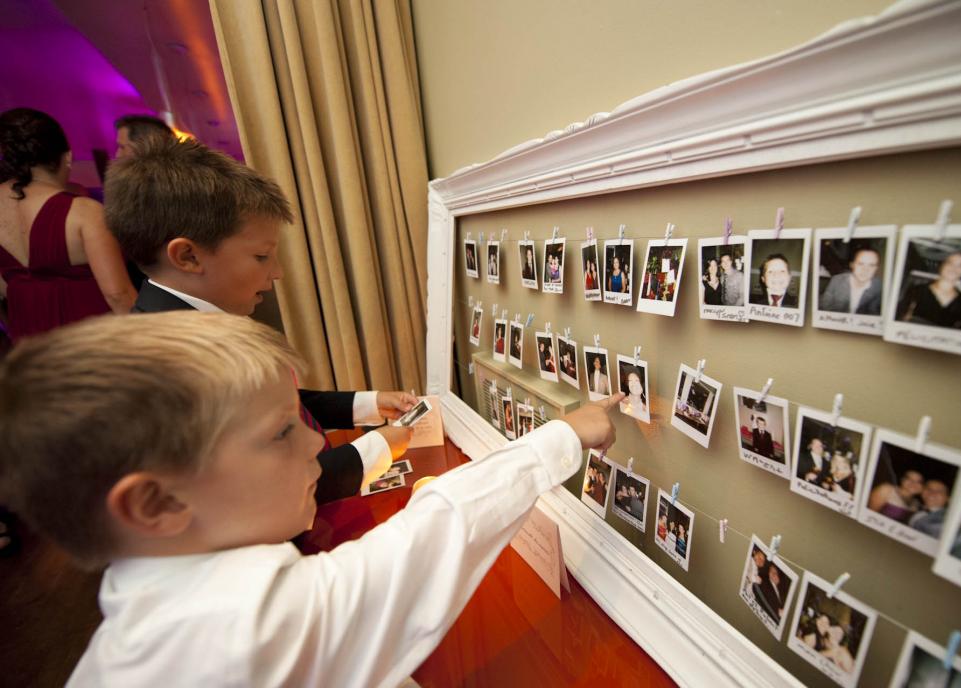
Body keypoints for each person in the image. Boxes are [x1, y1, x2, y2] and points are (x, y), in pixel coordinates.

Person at [0, 311, 623, 687]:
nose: (313, 442)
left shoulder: (150, 603)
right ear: (156, 505)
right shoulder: (241, 626)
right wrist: (565, 435)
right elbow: (435, 534)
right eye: (279, 432)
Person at [103, 137, 414, 502]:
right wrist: (375, 449)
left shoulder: (193, 320)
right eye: (262, 256)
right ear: (187, 256)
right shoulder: (175, 365)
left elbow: (281, 405)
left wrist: (369, 404)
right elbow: (260, 490)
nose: (278, 272)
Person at [0, 108, 136, 341]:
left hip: (30, 353)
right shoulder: (84, 212)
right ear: (68, 157)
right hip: (93, 346)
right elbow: (118, 295)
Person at [897, 251, 961, 330]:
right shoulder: (917, 290)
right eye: (950, 262)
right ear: (942, 265)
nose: (954, 268)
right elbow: (899, 317)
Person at [819, 247, 882, 315]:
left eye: (871, 265)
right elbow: (825, 306)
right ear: (852, 265)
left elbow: (873, 311)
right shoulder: (836, 281)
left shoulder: (878, 286)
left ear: (876, 268)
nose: (865, 270)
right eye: (860, 264)